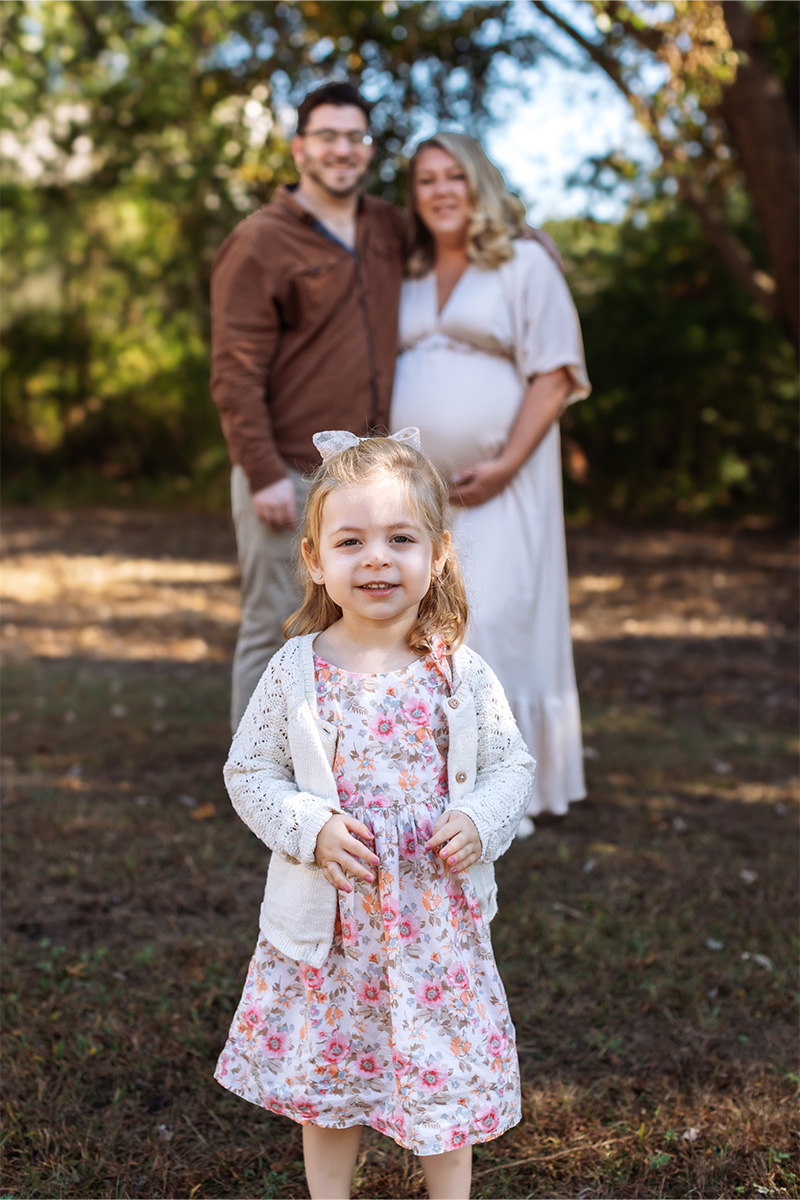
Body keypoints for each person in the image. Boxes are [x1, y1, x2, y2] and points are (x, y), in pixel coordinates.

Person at [214, 430, 535, 1200]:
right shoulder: (296, 668)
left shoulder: (456, 669)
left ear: (439, 554)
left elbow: (509, 764)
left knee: (445, 1075)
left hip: (434, 924)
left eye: (400, 538)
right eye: (351, 541)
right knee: (330, 1073)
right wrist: (310, 826)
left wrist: (481, 819)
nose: (377, 559)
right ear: (316, 560)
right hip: (333, 930)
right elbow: (249, 769)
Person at [390, 133, 591, 822]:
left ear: (479, 184)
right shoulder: (407, 270)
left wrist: (505, 462)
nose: (442, 190)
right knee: (428, 627)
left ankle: (510, 795)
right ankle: (441, 788)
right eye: (425, 180)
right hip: (421, 491)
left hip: (505, 477)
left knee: (496, 618)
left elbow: (557, 371)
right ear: (412, 196)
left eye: (455, 177)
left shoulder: (523, 261)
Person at [210, 80, 406, 730]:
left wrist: (536, 244)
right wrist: (262, 471)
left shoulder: (387, 226)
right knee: (277, 632)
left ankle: (337, 787)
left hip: (370, 477)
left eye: (355, 137)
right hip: (287, 473)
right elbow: (233, 371)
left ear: (368, 149)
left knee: (352, 634)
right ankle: (258, 791)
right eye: (327, 136)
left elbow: (474, 236)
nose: (341, 149)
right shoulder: (260, 241)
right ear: (299, 148)